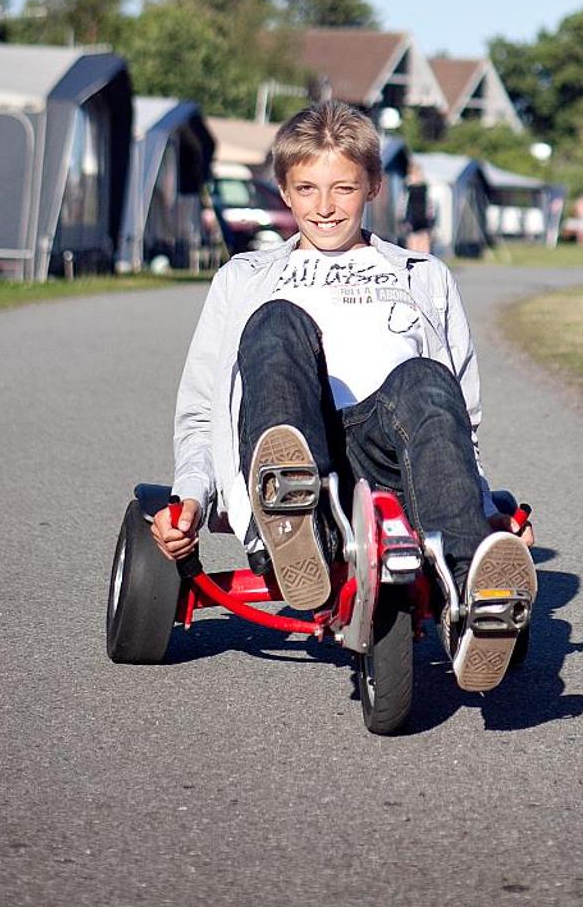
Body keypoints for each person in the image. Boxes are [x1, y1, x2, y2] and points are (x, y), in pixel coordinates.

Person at [151, 99, 536, 694]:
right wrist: (190, 498)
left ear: (373, 186)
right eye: (306, 188)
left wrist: (482, 507)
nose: (325, 207)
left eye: (343, 188)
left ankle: (472, 592)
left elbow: (462, 418)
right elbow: (204, 404)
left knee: (429, 379)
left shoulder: (422, 275)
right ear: (283, 189)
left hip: (389, 453)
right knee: (278, 321)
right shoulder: (245, 278)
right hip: (296, 447)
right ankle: (292, 516)